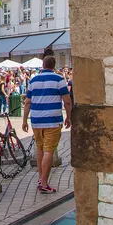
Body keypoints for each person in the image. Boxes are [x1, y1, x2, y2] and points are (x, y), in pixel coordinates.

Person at [22, 53, 72, 194]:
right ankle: (44, 183)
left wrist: (24, 120)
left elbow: (27, 102)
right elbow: (67, 100)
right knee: (49, 150)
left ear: (43, 65)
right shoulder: (59, 79)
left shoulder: (33, 80)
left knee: (39, 148)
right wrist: (69, 116)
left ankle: (40, 177)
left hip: (36, 120)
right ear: (54, 66)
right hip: (52, 120)